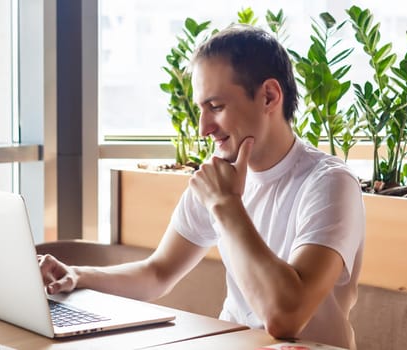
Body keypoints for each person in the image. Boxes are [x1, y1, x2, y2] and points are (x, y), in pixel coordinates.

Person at [38, 25, 365, 349]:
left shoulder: (329, 183)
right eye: (201, 109)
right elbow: (157, 273)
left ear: (269, 96)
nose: (203, 128)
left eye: (217, 107)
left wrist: (226, 205)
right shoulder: (218, 180)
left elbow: (285, 318)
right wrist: (77, 276)